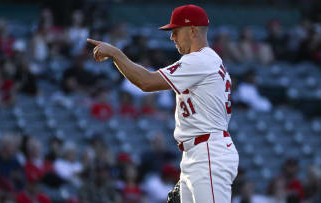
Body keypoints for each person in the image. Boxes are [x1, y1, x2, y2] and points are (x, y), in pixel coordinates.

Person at [87, 4, 239, 203]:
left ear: (192, 30)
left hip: (208, 152)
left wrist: (116, 53)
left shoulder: (199, 60)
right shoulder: (209, 60)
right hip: (199, 152)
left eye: (176, 31)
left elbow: (146, 82)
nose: (172, 37)